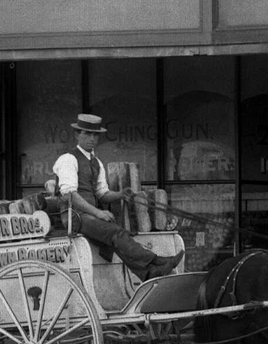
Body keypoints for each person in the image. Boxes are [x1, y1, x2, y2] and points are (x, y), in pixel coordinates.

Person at [53, 113, 184, 280]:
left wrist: (121, 194)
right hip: (74, 216)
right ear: (77, 134)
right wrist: (98, 213)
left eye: (95, 134)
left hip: (89, 215)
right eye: (87, 133)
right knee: (116, 232)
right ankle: (156, 261)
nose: (92, 138)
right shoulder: (68, 159)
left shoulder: (96, 163)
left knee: (118, 232)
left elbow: (103, 194)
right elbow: (69, 195)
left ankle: (148, 272)